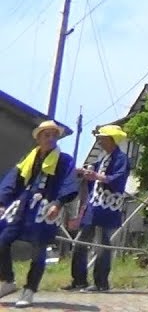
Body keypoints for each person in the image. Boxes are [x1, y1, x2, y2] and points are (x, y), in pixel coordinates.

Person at [0, 120, 78, 308]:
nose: (51, 138)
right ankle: (8, 280)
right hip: (24, 205)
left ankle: (30, 290)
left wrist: (58, 203)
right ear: (38, 138)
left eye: (54, 135)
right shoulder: (30, 158)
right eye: (46, 135)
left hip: (46, 208)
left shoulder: (65, 159)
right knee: (2, 240)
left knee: (39, 248)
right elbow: (13, 179)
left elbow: (69, 182)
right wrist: (2, 202)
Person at [65, 124, 131, 292]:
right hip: (94, 206)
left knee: (102, 244)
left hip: (108, 207)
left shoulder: (121, 159)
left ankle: (101, 282)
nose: (99, 141)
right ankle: (79, 280)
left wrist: (97, 176)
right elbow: (91, 170)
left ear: (111, 139)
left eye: (101, 138)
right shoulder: (103, 159)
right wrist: (83, 171)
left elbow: (117, 179)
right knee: (80, 241)